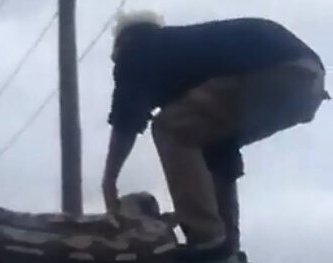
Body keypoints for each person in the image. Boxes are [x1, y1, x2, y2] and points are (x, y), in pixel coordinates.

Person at [102, 11, 329, 263]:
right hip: (307, 83)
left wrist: (109, 180)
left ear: (121, 42)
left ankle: (207, 240)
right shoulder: (187, 65)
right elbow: (223, 156)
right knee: (209, 142)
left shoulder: (138, 47)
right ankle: (226, 248)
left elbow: (126, 115)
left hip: (276, 69)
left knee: (170, 127)